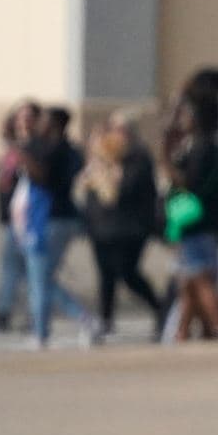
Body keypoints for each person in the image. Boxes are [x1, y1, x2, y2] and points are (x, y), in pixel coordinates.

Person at [17, 107, 99, 348]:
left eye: (42, 120)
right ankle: (73, 322)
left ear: (53, 124)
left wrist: (25, 158)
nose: (38, 124)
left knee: (39, 278)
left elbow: (43, 177)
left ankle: (44, 331)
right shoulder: (66, 149)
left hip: (48, 220)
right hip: (61, 219)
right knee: (42, 278)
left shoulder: (56, 150)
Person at [79, 110, 163, 337]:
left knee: (128, 272)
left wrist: (112, 172)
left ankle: (159, 308)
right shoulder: (101, 158)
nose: (115, 135)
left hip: (131, 228)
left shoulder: (138, 157)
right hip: (102, 227)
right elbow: (89, 190)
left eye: (121, 130)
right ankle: (106, 319)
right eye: (113, 129)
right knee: (106, 275)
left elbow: (126, 190)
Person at [162, 86, 218, 340]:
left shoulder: (203, 148)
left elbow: (189, 185)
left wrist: (168, 165)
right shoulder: (200, 146)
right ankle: (182, 333)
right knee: (189, 287)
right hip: (198, 226)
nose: (182, 118)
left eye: (186, 113)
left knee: (201, 282)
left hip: (197, 225)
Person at [0, 101, 38, 332]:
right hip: (12, 215)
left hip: (26, 216)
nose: (23, 121)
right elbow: (4, 173)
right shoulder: (13, 148)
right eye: (20, 117)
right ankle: (16, 312)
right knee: (17, 269)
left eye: (29, 117)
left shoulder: (33, 147)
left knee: (18, 268)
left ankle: (11, 313)